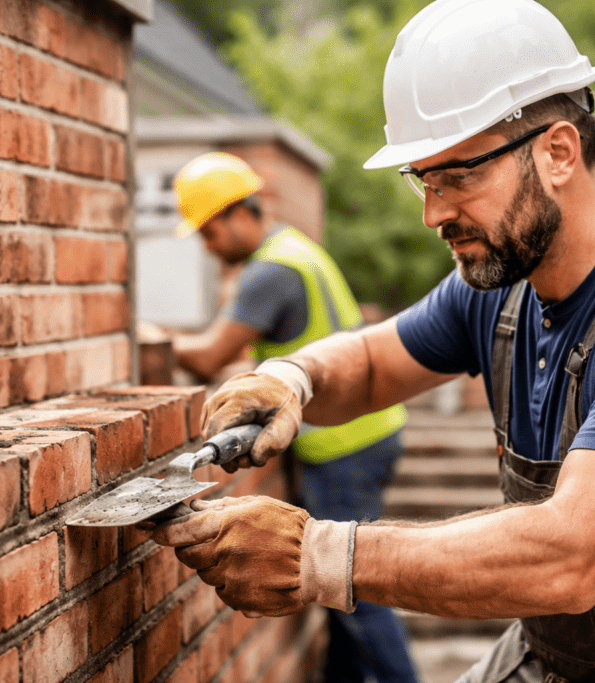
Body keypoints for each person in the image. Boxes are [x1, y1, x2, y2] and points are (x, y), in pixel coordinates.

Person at [154, 1, 595, 682]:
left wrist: (321, 556)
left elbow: (568, 557)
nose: (432, 213)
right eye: (421, 180)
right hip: (560, 656)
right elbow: (367, 364)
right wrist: (289, 378)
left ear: (558, 152)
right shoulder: (500, 286)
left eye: (458, 176)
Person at [166, 151, 420, 683]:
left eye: (209, 233)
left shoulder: (270, 271)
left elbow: (210, 356)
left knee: (356, 583)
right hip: (368, 431)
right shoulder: (295, 249)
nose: (210, 250)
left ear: (239, 213)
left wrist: (159, 339)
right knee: (346, 593)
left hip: (343, 445)